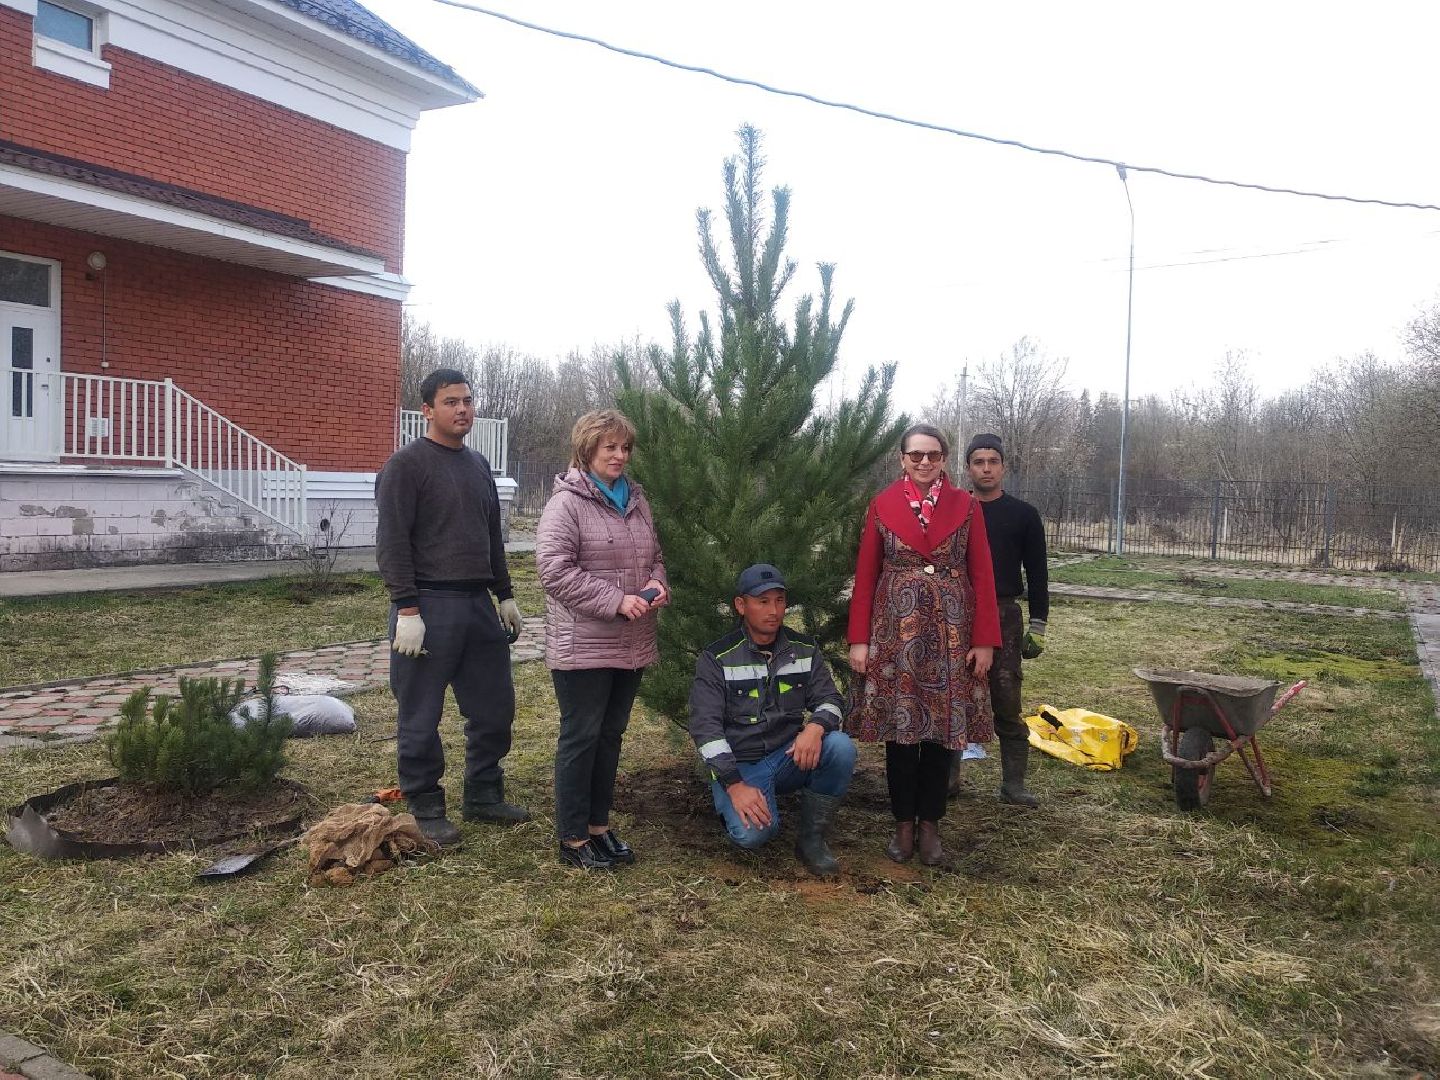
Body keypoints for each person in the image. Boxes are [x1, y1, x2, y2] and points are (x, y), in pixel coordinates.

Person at [375, 368, 529, 847]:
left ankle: (483, 792)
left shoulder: (479, 466)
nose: (462, 409)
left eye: (467, 401)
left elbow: (491, 537)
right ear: (427, 410)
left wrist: (504, 594)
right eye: (450, 402)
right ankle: (424, 803)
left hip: (477, 605)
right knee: (420, 714)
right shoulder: (405, 466)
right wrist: (407, 609)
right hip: (428, 605)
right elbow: (392, 543)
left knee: (495, 707)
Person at [846, 423, 1001, 866]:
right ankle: (902, 824)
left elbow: (983, 574)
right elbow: (866, 576)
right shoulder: (882, 505)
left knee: (941, 731)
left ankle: (930, 824)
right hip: (896, 633)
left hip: (952, 634)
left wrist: (985, 640)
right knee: (901, 731)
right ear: (902, 459)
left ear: (944, 459)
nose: (924, 462)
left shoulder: (965, 506)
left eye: (933, 454)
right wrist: (859, 640)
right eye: (916, 454)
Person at [536, 409, 668, 871]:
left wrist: (656, 584)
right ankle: (572, 838)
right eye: (609, 446)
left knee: (610, 735)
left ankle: (598, 826)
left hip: (631, 641)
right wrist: (615, 600)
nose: (619, 455)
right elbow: (554, 571)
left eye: (625, 447)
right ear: (587, 448)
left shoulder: (637, 500)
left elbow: (655, 555)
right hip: (584, 644)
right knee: (582, 737)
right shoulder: (567, 504)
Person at [688, 564, 855, 877]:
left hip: (788, 756)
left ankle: (812, 840)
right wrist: (734, 784)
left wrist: (815, 728)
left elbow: (832, 700)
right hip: (741, 766)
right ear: (741, 605)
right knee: (753, 835)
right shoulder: (717, 658)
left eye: (779, 601)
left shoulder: (804, 650)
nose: (774, 611)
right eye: (762, 602)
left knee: (840, 747)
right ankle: (730, 803)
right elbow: (705, 729)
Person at [961, 433, 1050, 807]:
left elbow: (1038, 572)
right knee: (952, 699)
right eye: (978, 462)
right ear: (968, 468)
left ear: (1003, 467)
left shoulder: (1023, 514)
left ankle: (1013, 786)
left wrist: (1039, 624)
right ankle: (946, 780)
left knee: (1006, 696)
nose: (986, 468)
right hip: (957, 614)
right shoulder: (957, 510)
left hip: (1004, 615)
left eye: (993, 461)